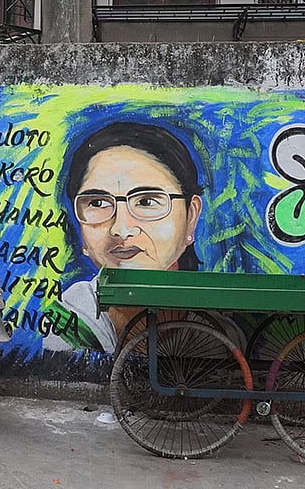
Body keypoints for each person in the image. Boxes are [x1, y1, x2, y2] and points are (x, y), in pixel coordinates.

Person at [55, 121, 204, 353]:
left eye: (146, 202)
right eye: (98, 203)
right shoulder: (69, 320)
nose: (121, 230)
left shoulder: (215, 334)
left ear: (191, 217)